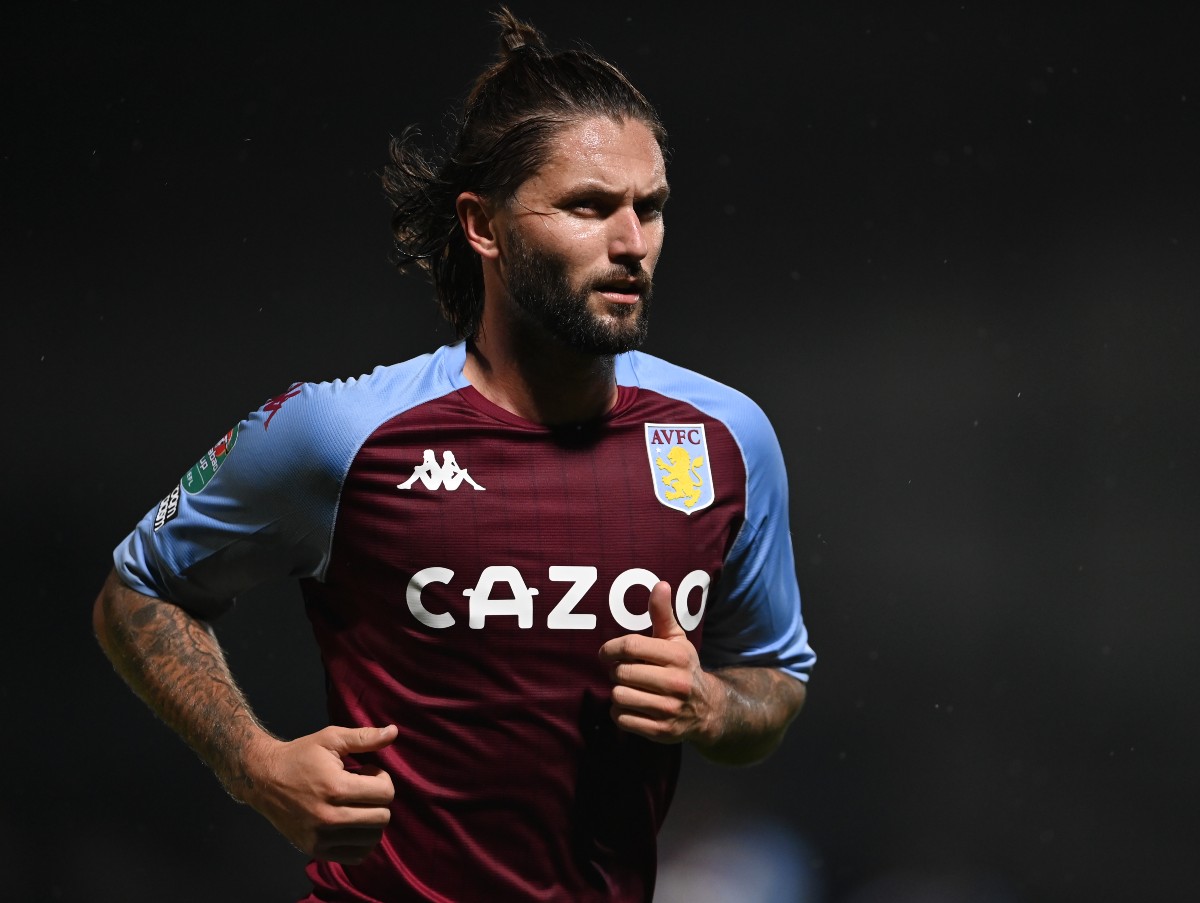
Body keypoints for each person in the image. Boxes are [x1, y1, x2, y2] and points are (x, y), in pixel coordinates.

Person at [93, 8, 815, 901]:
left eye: (650, 207)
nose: (631, 243)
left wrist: (713, 704)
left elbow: (775, 682)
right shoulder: (344, 434)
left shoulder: (727, 437)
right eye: (589, 206)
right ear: (484, 226)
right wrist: (255, 764)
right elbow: (137, 591)